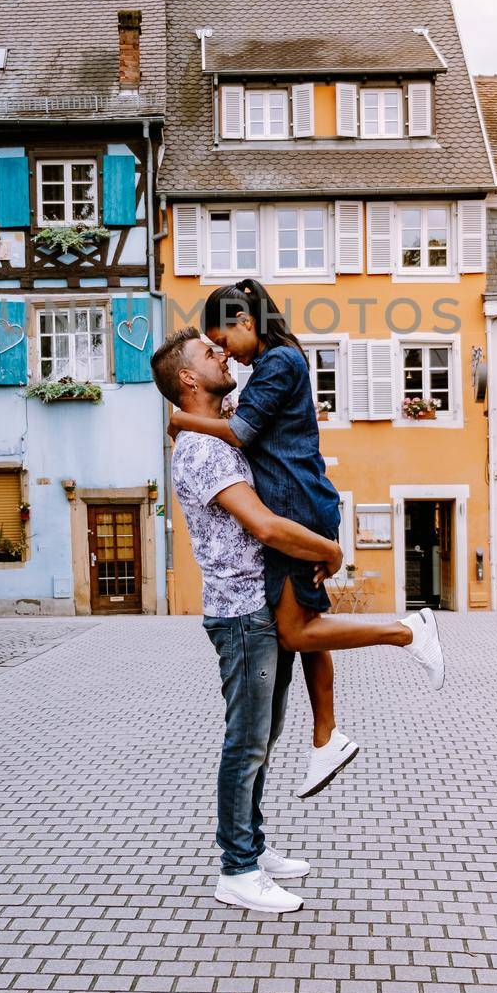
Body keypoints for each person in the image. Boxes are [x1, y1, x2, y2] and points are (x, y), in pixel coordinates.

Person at [168, 279, 446, 800]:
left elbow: (243, 433)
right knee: (308, 627)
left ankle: (408, 632)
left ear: (245, 321)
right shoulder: (276, 364)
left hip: (295, 505)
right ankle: (325, 736)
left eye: (223, 341)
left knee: (296, 632)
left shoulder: (280, 363)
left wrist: (182, 419)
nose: (225, 353)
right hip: (298, 501)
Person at [151, 326, 342, 916]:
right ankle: (236, 868)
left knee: (263, 736)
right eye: (210, 353)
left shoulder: (222, 424)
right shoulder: (203, 449)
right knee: (246, 742)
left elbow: (267, 404)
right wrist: (328, 552)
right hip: (241, 615)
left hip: (259, 605)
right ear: (188, 379)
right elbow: (262, 524)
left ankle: (252, 848)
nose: (224, 352)